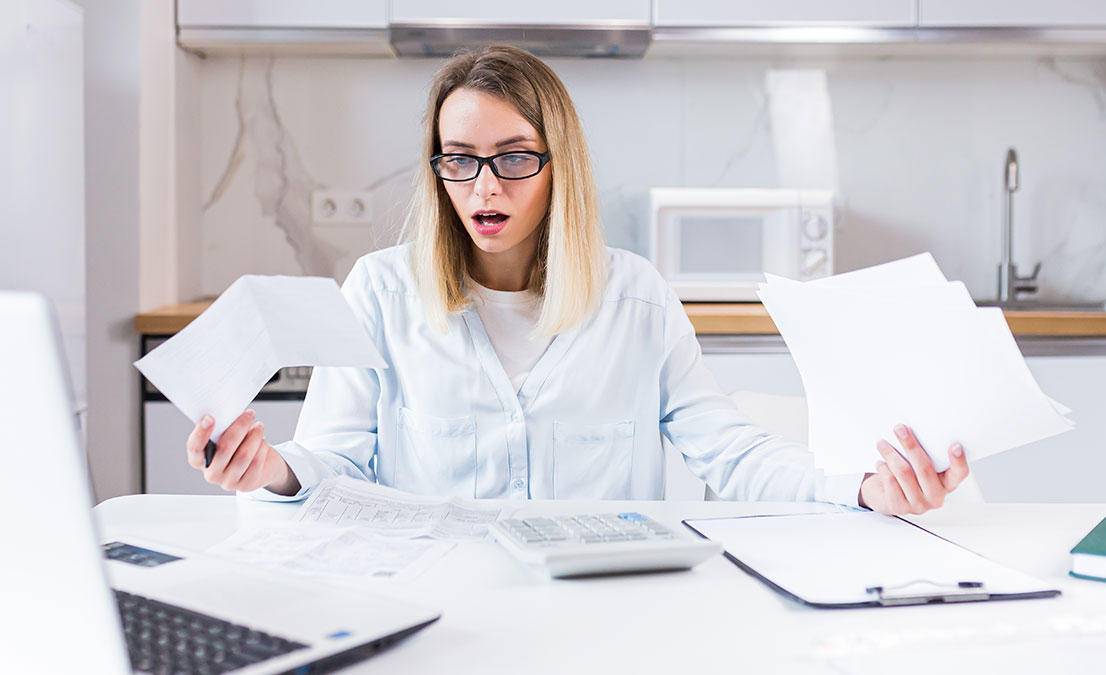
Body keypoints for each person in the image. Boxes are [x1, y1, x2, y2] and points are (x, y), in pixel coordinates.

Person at [184, 45, 970, 515]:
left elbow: (731, 452)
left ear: (559, 166)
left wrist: (863, 487)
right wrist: (270, 470)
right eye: (460, 160)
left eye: (513, 158)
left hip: (606, 614)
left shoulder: (638, 300)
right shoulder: (380, 293)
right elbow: (335, 460)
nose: (485, 187)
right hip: (439, 606)